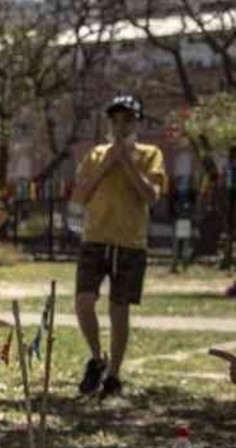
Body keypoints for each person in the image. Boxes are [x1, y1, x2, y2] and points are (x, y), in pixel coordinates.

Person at [70, 94, 166, 397]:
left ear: (137, 123)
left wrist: (127, 162)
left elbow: (151, 196)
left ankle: (114, 375)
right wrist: (108, 163)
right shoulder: (96, 154)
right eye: (115, 120)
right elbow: (79, 195)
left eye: (127, 120)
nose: (121, 125)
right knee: (83, 301)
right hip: (94, 238)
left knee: (118, 310)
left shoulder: (150, 154)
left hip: (130, 243)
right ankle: (97, 358)